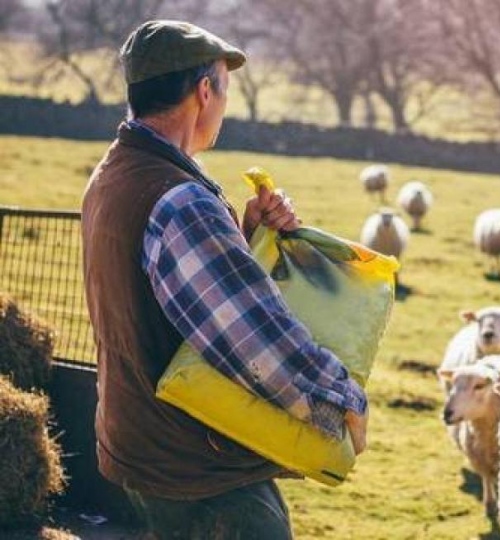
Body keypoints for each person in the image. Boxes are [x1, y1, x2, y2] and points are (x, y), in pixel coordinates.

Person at [81, 20, 368, 539]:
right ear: (203, 92)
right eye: (225, 90)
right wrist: (338, 398)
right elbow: (251, 339)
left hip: (139, 443)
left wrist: (246, 237)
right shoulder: (179, 199)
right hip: (196, 465)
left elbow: (167, 293)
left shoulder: (113, 173)